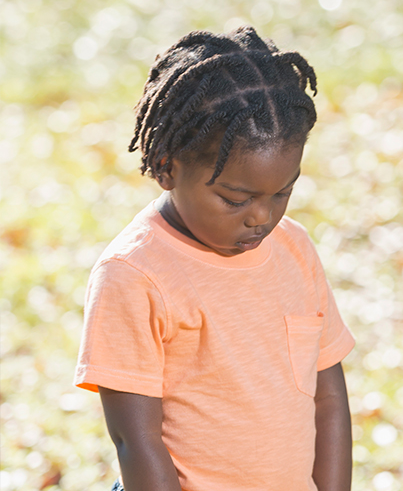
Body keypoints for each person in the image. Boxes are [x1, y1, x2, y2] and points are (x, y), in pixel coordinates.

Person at [74, 26, 355, 491]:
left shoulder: (294, 248)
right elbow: (136, 441)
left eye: (283, 192)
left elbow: (329, 397)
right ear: (166, 167)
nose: (262, 218)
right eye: (235, 198)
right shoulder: (133, 275)